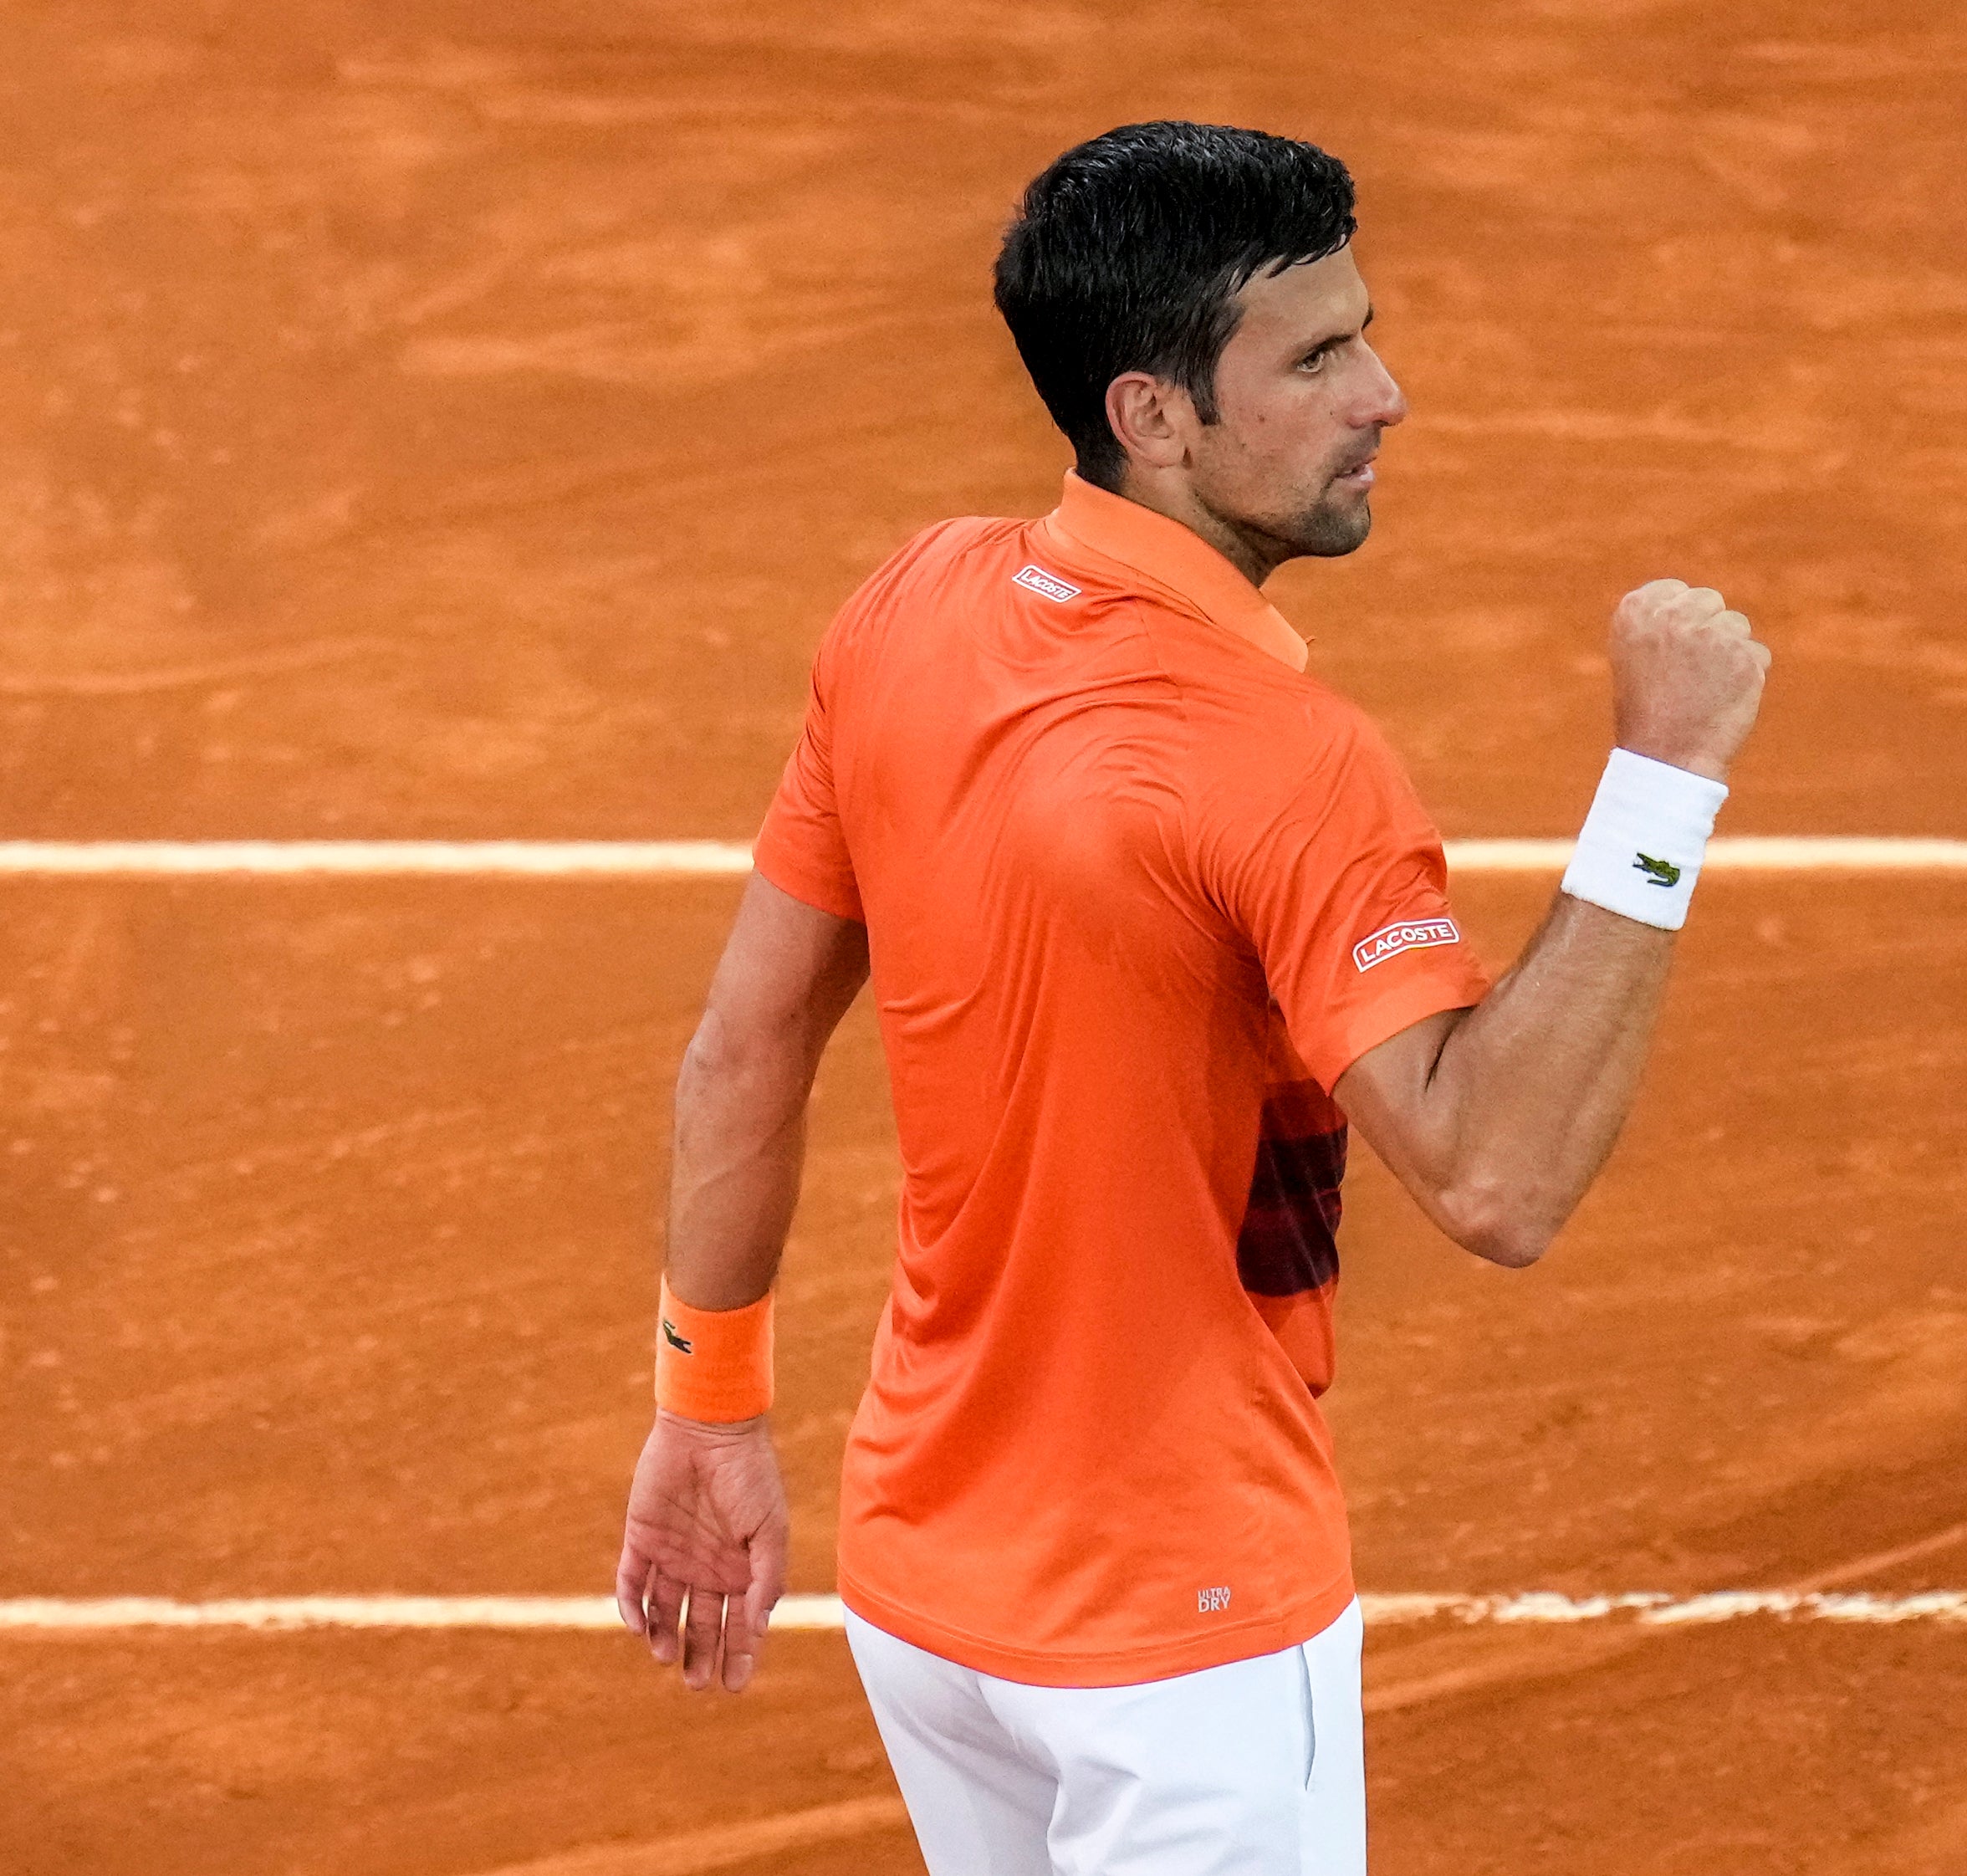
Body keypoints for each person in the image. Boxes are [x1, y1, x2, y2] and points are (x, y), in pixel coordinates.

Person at [612, 120, 1768, 1875]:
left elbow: (744, 1043)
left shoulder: (908, 613)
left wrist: (706, 1414)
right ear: (1152, 415)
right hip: (1187, 1627)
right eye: (1314, 358)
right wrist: (1665, 781)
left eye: (1363, 332)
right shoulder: (1285, 765)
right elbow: (1496, 1178)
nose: (1384, 394)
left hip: (930, 1595)